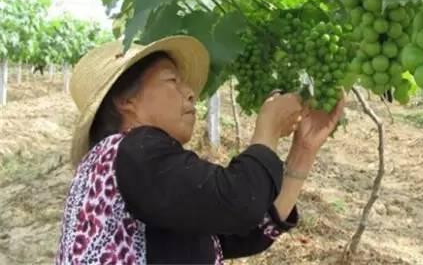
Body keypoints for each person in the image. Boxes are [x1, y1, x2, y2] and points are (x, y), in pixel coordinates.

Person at [56, 35, 344, 264]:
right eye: (172, 81)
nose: (192, 93)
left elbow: (242, 233)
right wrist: (267, 129)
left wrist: (302, 152)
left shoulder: (124, 169)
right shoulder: (132, 150)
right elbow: (238, 203)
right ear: (125, 101)